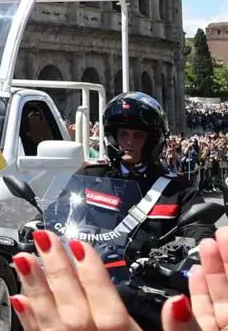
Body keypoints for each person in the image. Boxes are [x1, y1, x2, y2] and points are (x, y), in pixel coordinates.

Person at [92, 90, 217, 249]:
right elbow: (58, 217)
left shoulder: (178, 190)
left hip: (150, 272)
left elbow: (199, 230)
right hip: (95, 268)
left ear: (152, 142)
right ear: (112, 138)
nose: (129, 142)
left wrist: (176, 249)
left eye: (138, 136)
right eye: (123, 134)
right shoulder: (93, 179)